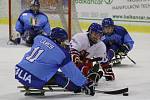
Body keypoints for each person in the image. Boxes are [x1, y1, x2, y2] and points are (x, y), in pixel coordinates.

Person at [15, 27, 95, 96]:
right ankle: (77, 87)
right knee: (59, 77)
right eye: (64, 41)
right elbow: (72, 72)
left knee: (46, 68)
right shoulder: (61, 53)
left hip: (20, 72)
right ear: (59, 39)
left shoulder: (39, 38)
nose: (65, 43)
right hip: (35, 78)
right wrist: (85, 83)